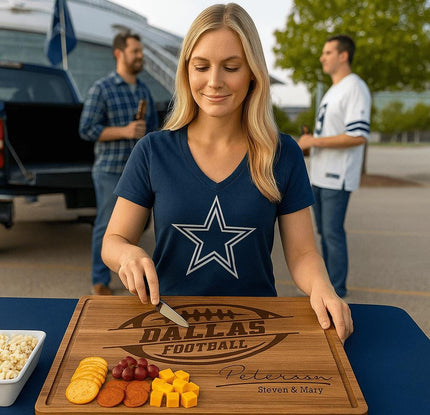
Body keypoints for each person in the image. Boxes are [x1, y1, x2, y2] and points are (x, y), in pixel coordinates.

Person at [102, 4, 353, 342]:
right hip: (168, 326)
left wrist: (323, 286)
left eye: (231, 67)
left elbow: (303, 253)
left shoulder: (284, 154)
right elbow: (113, 241)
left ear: (252, 72)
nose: (214, 82)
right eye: (201, 66)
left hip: (257, 327)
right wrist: (127, 254)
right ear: (186, 71)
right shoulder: (152, 150)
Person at [79, 31, 159, 296]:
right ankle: (100, 281)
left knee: (137, 228)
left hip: (142, 173)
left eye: (140, 51)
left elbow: (155, 131)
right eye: (135, 51)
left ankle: (131, 275)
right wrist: (124, 131)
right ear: (118, 53)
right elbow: (87, 129)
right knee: (107, 228)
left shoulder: (145, 90)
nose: (140, 56)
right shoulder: (102, 88)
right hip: (110, 170)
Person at [298, 35, 371, 298]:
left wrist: (313, 140)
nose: (322, 57)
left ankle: (337, 291)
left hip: (336, 177)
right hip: (319, 175)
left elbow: (358, 135)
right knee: (324, 234)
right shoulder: (333, 89)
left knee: (332, 234)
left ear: (343, 55)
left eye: (328, 52)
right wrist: (311, 144)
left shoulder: (355, 87)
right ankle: (326, 287)